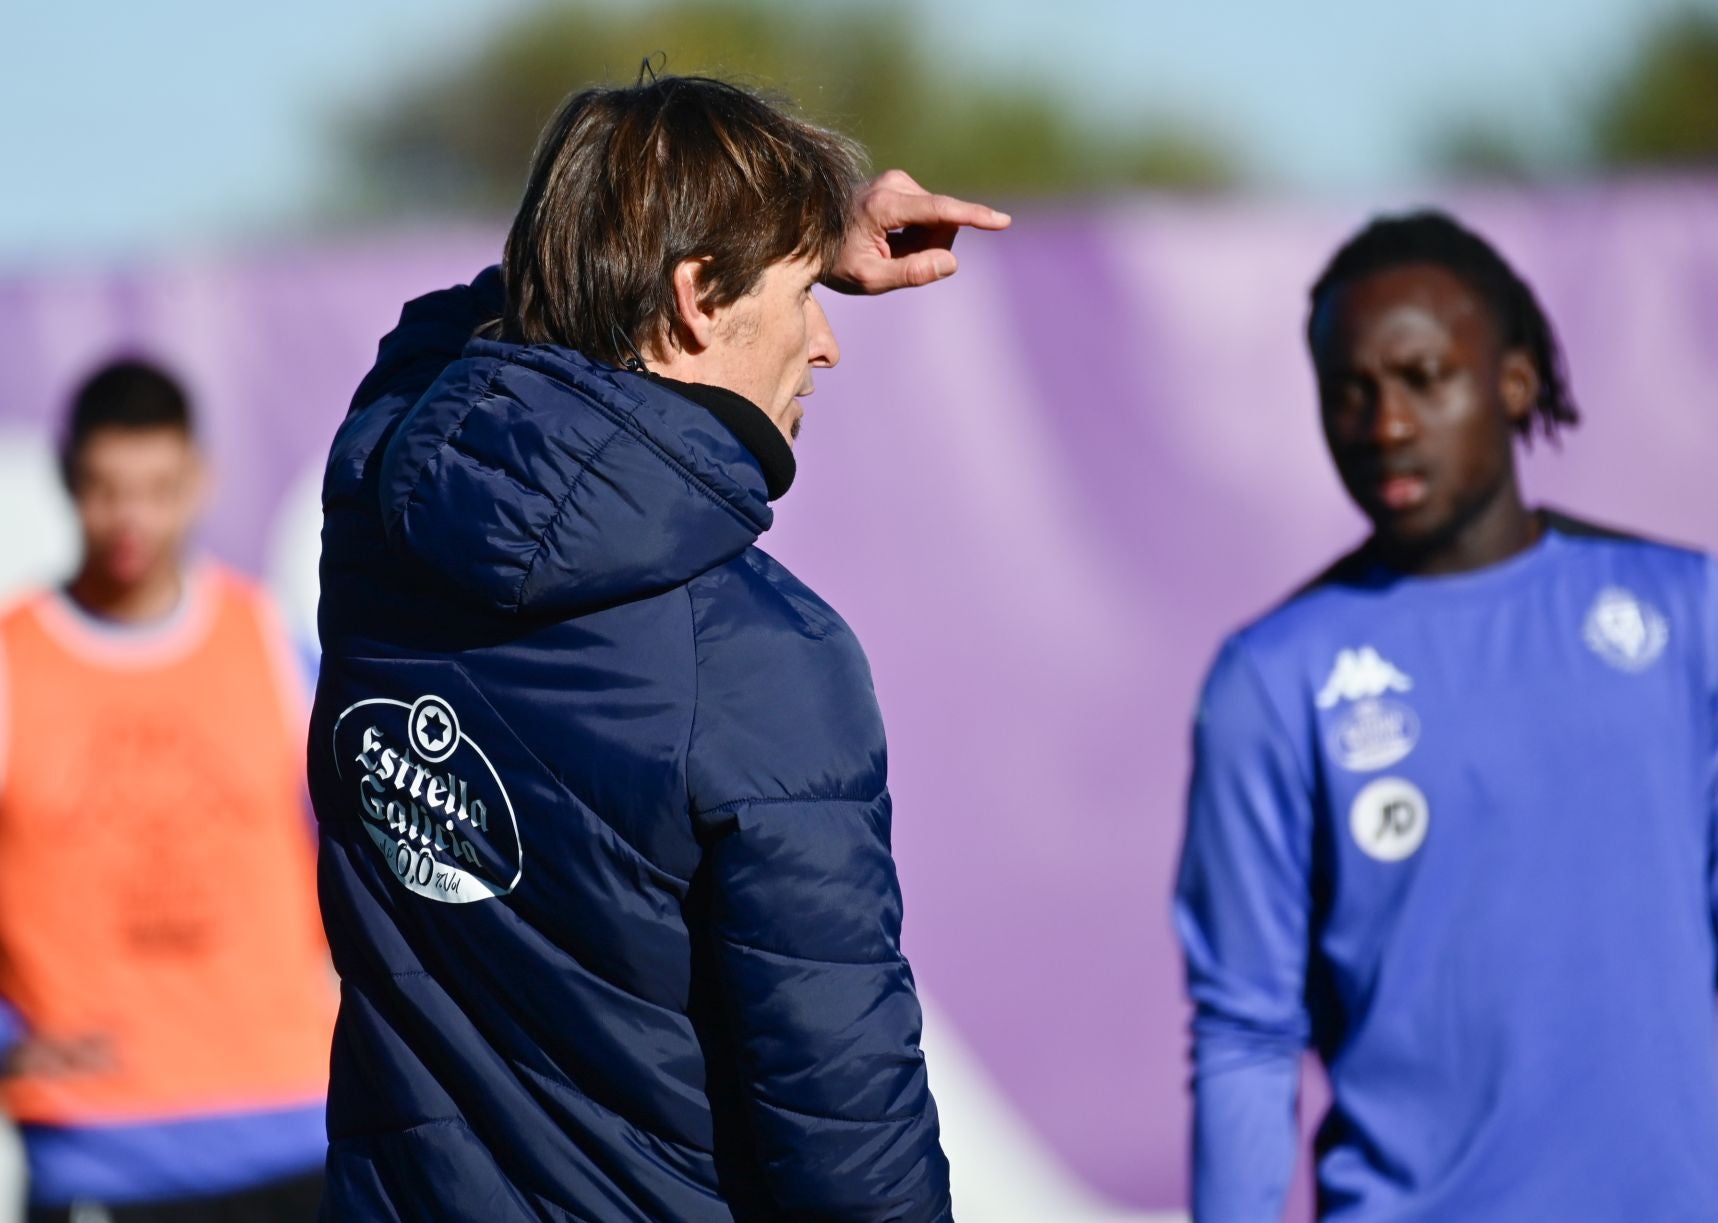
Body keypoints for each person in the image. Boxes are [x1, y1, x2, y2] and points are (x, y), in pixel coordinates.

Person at [308, 72, 1009, 1221]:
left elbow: (455, 333)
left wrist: (762, 231)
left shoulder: (378, 506)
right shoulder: (764, 659)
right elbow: (844, 1120)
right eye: (804, 288)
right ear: (695, 299)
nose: (825, 338)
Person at [1175, 211, 1718, 1223]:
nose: (1386, 425)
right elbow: (1245, 1027)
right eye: (1351, 392)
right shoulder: (1273, 675)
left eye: (1424, 377)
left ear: (1514, 382)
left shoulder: (1691, 614)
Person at [0, 359, 334, 1221]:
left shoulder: (267, 642)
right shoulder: (13, 664)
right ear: (70, 483)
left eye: (157, 488)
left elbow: (360, 845)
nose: (131, 519)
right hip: (104, 1150)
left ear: (199, 480)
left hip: (295, 1123)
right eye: (107, 490)